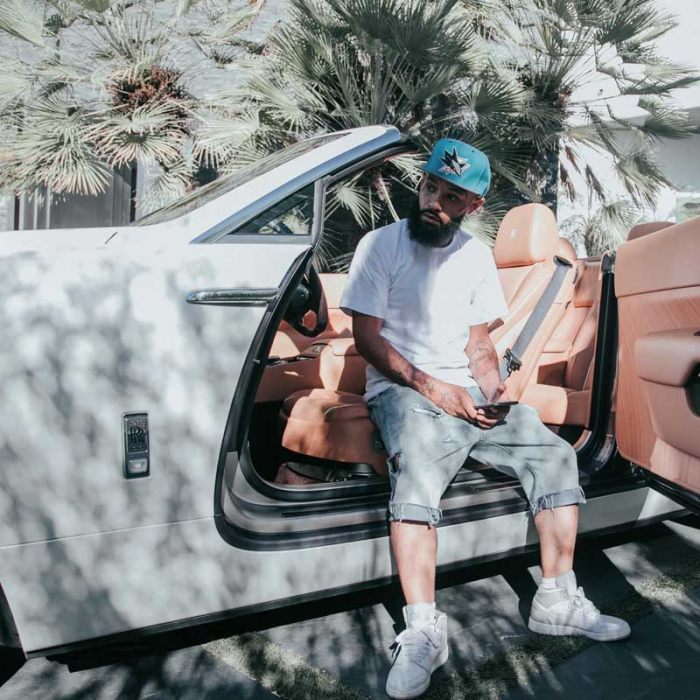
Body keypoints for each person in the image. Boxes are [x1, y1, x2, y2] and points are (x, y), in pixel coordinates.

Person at [339, 138, 630, 700]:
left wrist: (493, 388)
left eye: (451, 196)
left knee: (556, 454)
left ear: (473, 206)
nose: (434, 202)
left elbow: (477, 345)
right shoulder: (380, 245)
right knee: (417, 472)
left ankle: (556, 599)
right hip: (403, 389)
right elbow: (367, 339)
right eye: (430, 187)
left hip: (467, 392)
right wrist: (435, 389)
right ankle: (423, 630)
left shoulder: (474, 258)